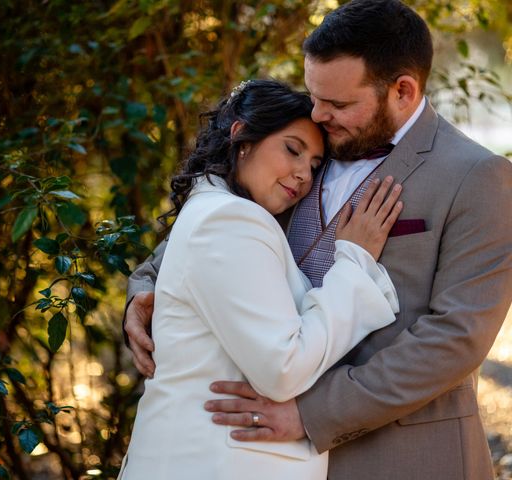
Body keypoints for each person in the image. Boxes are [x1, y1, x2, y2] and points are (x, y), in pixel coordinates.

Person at [124, 1, 512, 479]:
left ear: (403, 91)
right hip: (266, 462)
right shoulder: (301, 143)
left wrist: (311, 414)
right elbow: (199, 237)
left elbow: (455, 338)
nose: (318, 113)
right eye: (314, 96)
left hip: (405, 456)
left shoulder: (478, 177)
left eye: (339, 104)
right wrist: (143, 293)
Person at [118, 79, 404, 480]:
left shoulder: (221, 207)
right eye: (292, 149)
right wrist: (354, 264)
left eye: (315, 166)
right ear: (242, 137)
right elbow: (283, 368)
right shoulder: (230, 217)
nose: (304, 174)